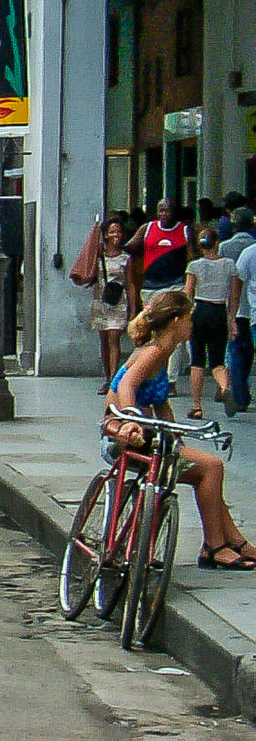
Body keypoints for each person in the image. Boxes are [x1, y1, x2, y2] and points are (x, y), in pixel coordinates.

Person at [103, 291, 256, 570]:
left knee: (205, 467)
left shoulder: (164, 352)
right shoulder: (153, 352)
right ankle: (215, 546)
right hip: (125, 436)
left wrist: (179, 440)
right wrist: (131, 418)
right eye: (189, 318)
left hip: (147, 438)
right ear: (176, 321)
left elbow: (161, 404)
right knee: (211, 467)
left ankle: (231, 540)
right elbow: (127, 386)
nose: (192, 324)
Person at [127, 198, 192, 390]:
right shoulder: (147, 228)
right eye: (160, 210)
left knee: (174, 333)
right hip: (151, 287)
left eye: (167, 211)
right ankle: (148, 372)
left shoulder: (184, 230)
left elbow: (193, 256)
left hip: (175, 286)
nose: (163, 214)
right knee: (151, 330)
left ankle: (170, 379)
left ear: (174, 213)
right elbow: (130, 246)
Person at [184, 229, 237, 418]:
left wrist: (185, 317)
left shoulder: (194, 266)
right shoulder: (229, 265)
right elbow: (233, 295)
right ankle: (224, 387)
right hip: (218, 312)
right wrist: (232, 319)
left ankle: (197, 406)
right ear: (217, 243)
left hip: (200, 310)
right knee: (217, 361)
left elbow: (187, 294)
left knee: (197, 361)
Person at [90, 217, 135, 395]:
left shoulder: (126, 258)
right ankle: (106, 374)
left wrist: (133, 309)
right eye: (112, 231)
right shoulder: (98, 255)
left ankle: (113, 379)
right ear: (106, 235)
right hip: (100, 301)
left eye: (119, 231)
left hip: (118, 302)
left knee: (114, 339)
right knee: (104, 341)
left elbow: (130, 284)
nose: (116, 235)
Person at [223, 208, 256, 414]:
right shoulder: (250, 249)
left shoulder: (230, 249)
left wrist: (231, 314)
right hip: (250, 312)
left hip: (246, 311)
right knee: (247, 353)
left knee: (236, 351)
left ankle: (238, 394)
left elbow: (236, 283)